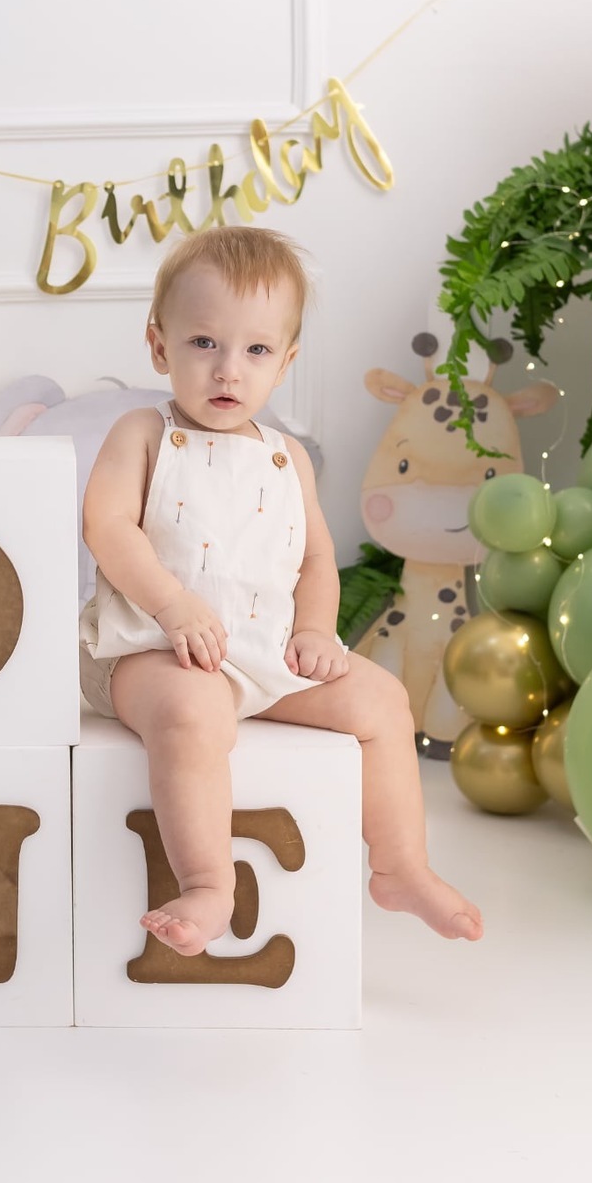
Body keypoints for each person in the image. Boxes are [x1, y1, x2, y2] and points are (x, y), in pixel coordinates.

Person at [80, 226, 482, 955]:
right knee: (194, 709)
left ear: (286, 362)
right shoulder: (143, 433)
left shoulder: (285, 456)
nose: (228, 369)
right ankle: (208, 882)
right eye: (204, 342)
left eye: (257, 350)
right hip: (149, 651)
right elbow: (106, 527)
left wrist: (315, 631)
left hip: (263, 653)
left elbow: (316, 559)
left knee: (382, 699)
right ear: (160, 346)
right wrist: (172, 605)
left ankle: (401, 867)